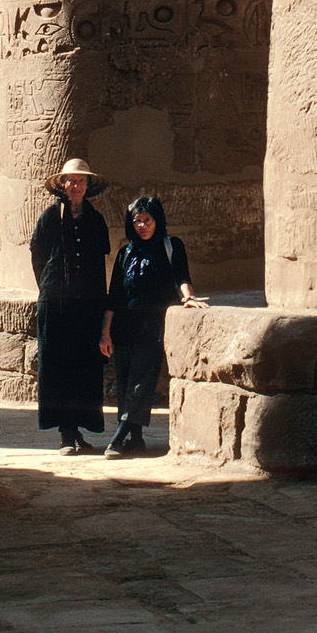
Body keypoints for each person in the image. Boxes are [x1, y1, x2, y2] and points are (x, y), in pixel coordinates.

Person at [100, 195, 206, 458]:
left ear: (157, 221)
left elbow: (182, 276)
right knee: (125, 383)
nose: (142, 226)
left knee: (141, 381)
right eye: (137, 221)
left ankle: (118, 438)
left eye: (148, 220)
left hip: (152, 326)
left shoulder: (171, 246)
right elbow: (114, 295)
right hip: (124, 327)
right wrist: (105, 332)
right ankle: (136, 440)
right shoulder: (126, 253)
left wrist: (188, 297)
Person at [30, 158, 111, 455]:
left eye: (81, 181)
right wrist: (50, 288)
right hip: (56, 304)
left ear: (88, 187)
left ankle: (80, 429)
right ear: (62, 186)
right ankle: (66, 432)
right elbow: (37, 256)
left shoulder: (95, 219)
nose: (76, 186)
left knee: (84, 366)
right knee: (58, 366)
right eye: (71, 181)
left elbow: (100, 263)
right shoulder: (50, 217)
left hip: (87, 306)